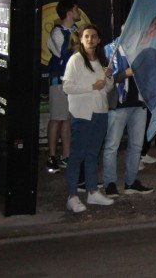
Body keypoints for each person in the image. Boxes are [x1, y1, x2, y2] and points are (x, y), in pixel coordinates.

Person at [62, 25, 115, 213]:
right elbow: (67, 87)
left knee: (93, 154)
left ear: (99, 40)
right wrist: (92, 86)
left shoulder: (101, 61)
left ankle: (93, 191)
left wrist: (108, 79)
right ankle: (72, 195)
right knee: (77, 155)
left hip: (100, 112)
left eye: (93, 36)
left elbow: (106, 89)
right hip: (82, 113)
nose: (90, 39)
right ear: (81, 40)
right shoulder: (75, 60)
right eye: (86, 36)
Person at [102, 39, 153, 198]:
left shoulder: (143, 51)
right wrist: (125, 73)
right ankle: (110, 184)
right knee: (112, 146)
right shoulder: (110, 50)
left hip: (139, 103)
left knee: (136, 146)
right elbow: (105, 78)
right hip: (119, 104)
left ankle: (131, 182)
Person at [46, 0, 82, 174]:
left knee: (67, 119)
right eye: (76, 9)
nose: (79, 12)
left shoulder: (75, 30)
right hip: (59, 81)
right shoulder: (58, 32)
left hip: (72, 82)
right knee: (57, 118)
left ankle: (66, 155)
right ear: (69, 12)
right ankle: (52, 156)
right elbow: (63, 55)